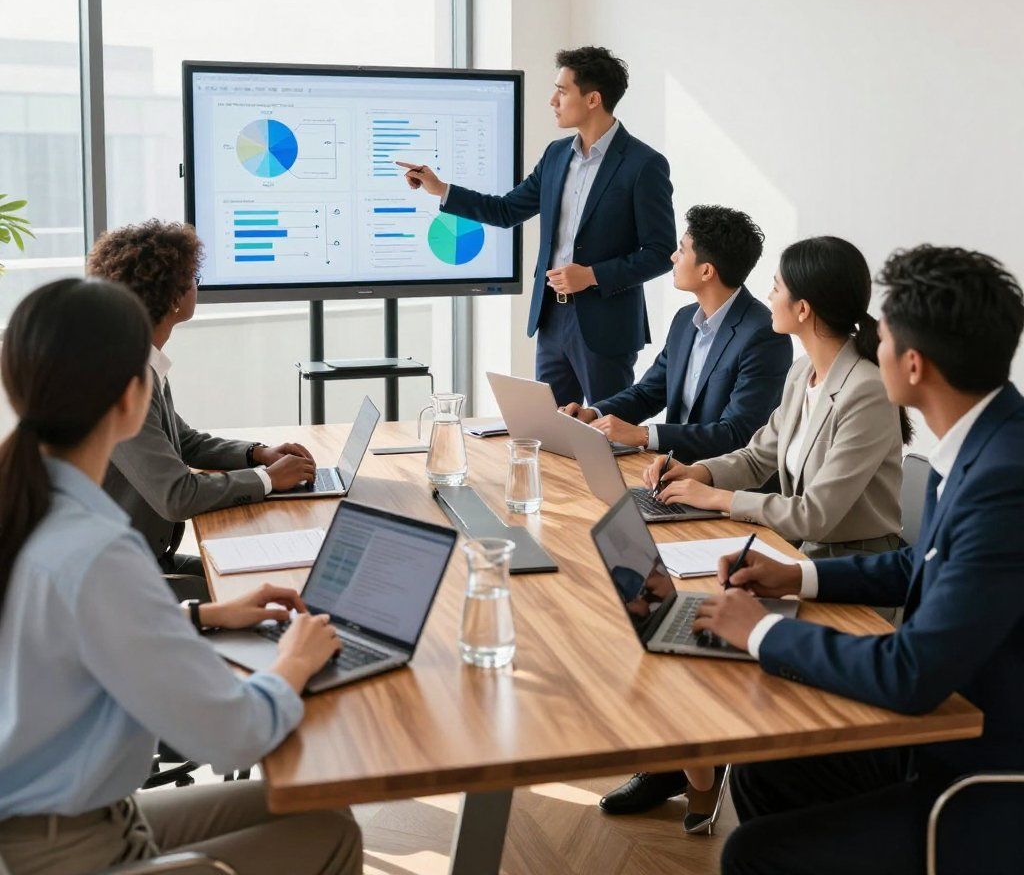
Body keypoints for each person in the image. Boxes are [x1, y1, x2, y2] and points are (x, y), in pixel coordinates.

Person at [0, 278, 361, 875]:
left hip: (51, 827)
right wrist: (295, 660)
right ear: (132, 398)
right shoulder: (97, 549)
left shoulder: (28, 509)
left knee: (321, 814)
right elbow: (234, 736)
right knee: (326, 835)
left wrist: (200, 614)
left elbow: (58, 635)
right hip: (70, 850)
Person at [691, 245, 1024, 875]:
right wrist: (800, 575)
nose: (874, 337)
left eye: (886, 330)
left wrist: (760, 629)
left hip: (978, 774)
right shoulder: (982, 441)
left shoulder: (1004, 477)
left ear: (914, 365)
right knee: (766, 763)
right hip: (939, 731)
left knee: (751, 853)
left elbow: (911, 670)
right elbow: (919, 566)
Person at [600, 236, 911, 827]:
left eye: (776, 286)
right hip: (792, 553)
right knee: (675, 615)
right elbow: (758, 454)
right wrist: (698, 470)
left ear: (804, 310)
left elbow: (816, 513)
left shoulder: (866, 390)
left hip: (846, 574)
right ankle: (690, 761)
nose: (766, 293)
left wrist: (717, 497)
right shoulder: (804, 374)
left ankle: (704, 767)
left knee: (703, 626)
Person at [398, 46, 676, 406]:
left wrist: (591, 275)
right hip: (552, 318)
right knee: (549, 431)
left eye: (562, 91)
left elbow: (659, 254)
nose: (552, 100)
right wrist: (441, 189)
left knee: (607, 436)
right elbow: (505, 210)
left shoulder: (644, 164)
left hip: (606, 326)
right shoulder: (556, 155)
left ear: (593, 99)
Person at [87, 220, 317, 597]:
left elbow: (186, 441)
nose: (198, 285)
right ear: (173, 297)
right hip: (111, 581)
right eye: (194, 276)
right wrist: (269, 479)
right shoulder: (122, 382)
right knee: (260, 593)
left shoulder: (139, 362)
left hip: (145, 557)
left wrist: (258, 454)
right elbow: (177, 495)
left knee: (278, 580)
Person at [561, 204, 792, 456]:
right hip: (669, 470)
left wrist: (643, 435)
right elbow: (648, 393)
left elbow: (736, 434)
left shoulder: (764, 335)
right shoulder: (685, 320)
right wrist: (592, 413)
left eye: (681, 250)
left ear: (706, 271)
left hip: (722, 484)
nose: (673, 257)